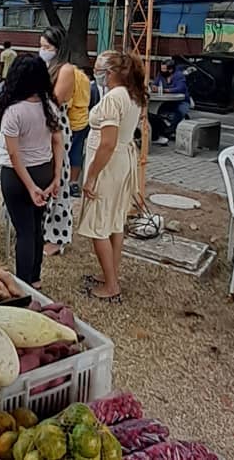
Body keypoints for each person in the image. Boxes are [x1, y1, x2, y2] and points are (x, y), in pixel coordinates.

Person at [77, 50, 145, 302]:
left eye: (100, 69)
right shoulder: (133, 95)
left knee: (98, 224)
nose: (97, 74)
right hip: (122, 161)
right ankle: (111, 275)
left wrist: (92, 175)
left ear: (113, 72)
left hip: (108, 163)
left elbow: (107, 143)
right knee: (114, 220)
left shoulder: (113, 99)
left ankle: (111, 285)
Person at [0, 54, 63, 287]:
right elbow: (58, 142)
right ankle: (35, 279)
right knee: (35, 228)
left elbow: (14, 155)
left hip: (17, 177)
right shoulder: (50, 106)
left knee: (23, 231)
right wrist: (56, 177)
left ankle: (23, 284)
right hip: (44, 170)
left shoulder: (13, 112)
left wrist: (29, 186)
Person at [39, 26, 91, 257]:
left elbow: (55, 99)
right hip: (39, 125)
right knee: (42, 178)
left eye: (47, 48)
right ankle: (43, 229)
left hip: (56, 126)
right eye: (41, 46)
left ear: (59, 49)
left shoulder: (66, 70)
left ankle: (58, 237)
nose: (43, 51)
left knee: (58, 179)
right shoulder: (46, 67)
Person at [149, 57, 191, 145]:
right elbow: (155, 83)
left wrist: (166, 90)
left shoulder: (179, 75)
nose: (162, 71)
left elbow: (180, 88)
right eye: (161, 69)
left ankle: (169, 131)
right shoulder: (161, 75)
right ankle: (160, 131)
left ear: (171, 69)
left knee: (179, 113)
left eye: (164, 69)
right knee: (157, 112)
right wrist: (153, 86)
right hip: (166, 101)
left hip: (181, 101)